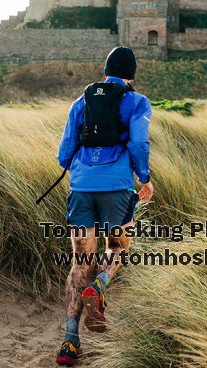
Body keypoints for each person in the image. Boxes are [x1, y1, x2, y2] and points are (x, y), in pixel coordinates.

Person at [55, 46, 154, 366]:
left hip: (82, 189)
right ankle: (99, 286)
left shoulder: (80, 102)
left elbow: (63, 154)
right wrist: (144, 177)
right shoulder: (137, 101)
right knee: (117, 248)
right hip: (117, 190)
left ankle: (69, 343)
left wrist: (84, 170)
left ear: (105, 71)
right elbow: (139, 142)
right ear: (132, 74)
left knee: (80, 262)